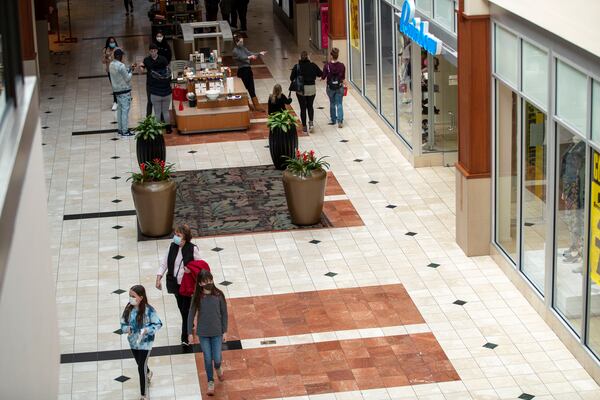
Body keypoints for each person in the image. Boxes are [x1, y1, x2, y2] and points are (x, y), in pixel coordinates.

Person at [156, 224, 201, 345]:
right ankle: (189, 323)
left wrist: (191, 270)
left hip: (186, 285)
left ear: (185, 238)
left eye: (178, 235)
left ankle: (185, 337)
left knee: (185, 310)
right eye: (175, 234)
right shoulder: (172, 247)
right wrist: (158, 277)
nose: (175, 237)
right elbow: (164, 263)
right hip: (175, 284)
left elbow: (199, 265)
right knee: (181, 308)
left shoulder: (192, 249)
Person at [188, 270, 228, 396]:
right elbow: (191, 315)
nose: (209, 283)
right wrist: (189, 332)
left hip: (217, 332)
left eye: (210, 280)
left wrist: (225, 331)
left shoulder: (219, 295)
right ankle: (210, 381)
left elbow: (224, 313)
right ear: (200, 283)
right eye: (205, 281)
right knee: (207, 357)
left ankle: (218, 367)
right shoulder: (197, 297)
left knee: (216, 357)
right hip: (203, 333)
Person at [120, 285, 162, 400]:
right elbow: (122, 324)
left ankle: (143, 394)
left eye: (133, 296)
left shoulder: (149, 310)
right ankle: (148, 372)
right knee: (140, 364)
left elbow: (158, 324)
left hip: (145, 344)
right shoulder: (128, 308)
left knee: (140, 368)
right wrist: (126, 329)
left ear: (141, 297)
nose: (131, 298)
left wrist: (147, 330)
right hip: (133, 342)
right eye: (130, 296)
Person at [141, 44, 172, 132]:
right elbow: (168, 73)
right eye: (151, 51)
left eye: (154, 50)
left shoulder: (162, 60)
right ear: (149, 51)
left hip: (155, 89)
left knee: (157, 110)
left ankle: (158, 128)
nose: (153, 52)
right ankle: (167, 127)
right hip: (158, 88)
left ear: (157, 51)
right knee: (162, 109)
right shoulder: (147, 60)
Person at [232, 34, 266, 111]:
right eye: (240, 42)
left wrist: (259, 53)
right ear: (236, 42)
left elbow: (250, 53)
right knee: (243, 89)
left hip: (248, 70)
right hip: (242, 71)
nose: (242, 43)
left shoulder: (243, 48)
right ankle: (246, 103)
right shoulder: (235, 51)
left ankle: (256, 105)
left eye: (242, 41)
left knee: (251, 88)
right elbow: (241, 58)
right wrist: (249, 57)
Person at [290, 51, 322, 133]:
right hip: (311, 88)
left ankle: (304, 127)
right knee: (310, 106)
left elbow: (291, 78)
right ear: (308, 57)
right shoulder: (313, 65)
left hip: (301, 90)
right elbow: (320, 74)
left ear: (300, 58)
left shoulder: (297, 66)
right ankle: (311, 123)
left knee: (303, 108)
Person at [109, 48, 136, 136]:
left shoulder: (111, 64)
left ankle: (120, 129)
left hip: (116, 91)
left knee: (120, 110)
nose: (123, 57)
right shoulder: (121, 66)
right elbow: (127, 78)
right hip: (124, 91)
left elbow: (119, 74)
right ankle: (125, 131)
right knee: (125, 111)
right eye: (123, 56)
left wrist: (128, 68)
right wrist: (131, 71)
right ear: (120, 56)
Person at [321, 47, 346, 128]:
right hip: (339, 87)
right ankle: (340, 120)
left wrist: (321, 78)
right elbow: (342, 77)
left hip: (330, 87)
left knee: (332, 103)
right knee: (339, 103)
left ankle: (333, 119)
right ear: (337, 56)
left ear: (331, 55)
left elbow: (323, 76)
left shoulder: (327, 65)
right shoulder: (342, 66)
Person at [102, 37, 119, 111]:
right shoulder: (105, 50)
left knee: (117, 86)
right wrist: (106, 57)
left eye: (113, 42)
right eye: (110, 42)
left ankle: (117, 101)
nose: (112, 43)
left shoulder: (118, 49)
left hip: (117, 71)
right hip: (110, 71)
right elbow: (103, 61)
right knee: (114, 86)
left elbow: (121, 60)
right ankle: (115, 101)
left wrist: (111, 57)